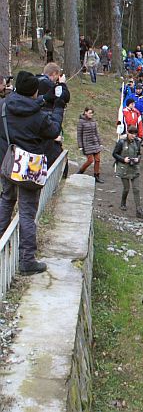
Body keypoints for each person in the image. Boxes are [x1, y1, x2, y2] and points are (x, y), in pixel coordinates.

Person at [0, 71, 65, 275]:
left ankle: (2, 242)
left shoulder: (4, 106)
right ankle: (26, 260)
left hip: (8, 162)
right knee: (27, 212)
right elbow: (54, 131)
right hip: (29, 167)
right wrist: (58, 106)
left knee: (6, 200)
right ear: (35, 92)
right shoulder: (38, 115)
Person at [112, 125, 143, 218]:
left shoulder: (137, 142)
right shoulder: (121, 142)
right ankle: (123, 202)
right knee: (126, 188)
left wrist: (137, 159)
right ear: (128, 132)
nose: (133, 136)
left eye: (135, 134)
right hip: (124, 168)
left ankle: (138, 209)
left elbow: (139, 153)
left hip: (134, 168)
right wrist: (123, 159)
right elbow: (114, 154)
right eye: (131, 134)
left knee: (136, 189)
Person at [76, 106, 104, 183]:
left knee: (97, 160)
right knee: (90, 160)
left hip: (95, 143)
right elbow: (79, 134)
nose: (91, 114)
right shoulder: (81, 122)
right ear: (85, 112)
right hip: (87, 144)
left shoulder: (93, 121)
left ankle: (96, 175)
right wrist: (80, 146)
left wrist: (100, 143)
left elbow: (96, 133)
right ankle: (81, 171)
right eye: (90, 113)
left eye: (92, 113)